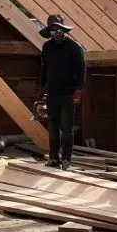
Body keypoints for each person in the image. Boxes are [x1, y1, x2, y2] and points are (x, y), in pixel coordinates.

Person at [38, 13, 85, 171]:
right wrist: (41, 87)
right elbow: (45, 69)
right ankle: (53, 158)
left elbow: (81, 71)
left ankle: (66, 159)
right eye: (52, 32)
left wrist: (78, 91)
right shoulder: (47, 47)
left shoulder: (74, 47)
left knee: (66, 129)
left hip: (68, 94)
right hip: (52, 94)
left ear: (63, 30)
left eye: (58, 30)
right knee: (52, 128)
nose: (56, 34)